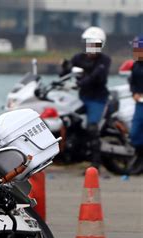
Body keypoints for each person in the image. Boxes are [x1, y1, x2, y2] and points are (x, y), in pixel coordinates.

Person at [61, 27, 111, 170]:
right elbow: (67, 73)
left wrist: (79, 83)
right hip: (82, 98)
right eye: (89, 43)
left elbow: (96, 77)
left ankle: (95, 163)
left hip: (97, 99)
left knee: (92, 127)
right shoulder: (78, 58)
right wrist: (64, 68)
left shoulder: (104, 60)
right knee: (67, 119)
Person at [128, 35, 143, 174]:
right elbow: (132, 82)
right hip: (140, 103)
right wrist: (134, 93)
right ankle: (139, 155)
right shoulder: (135, 65)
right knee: (134, 132)